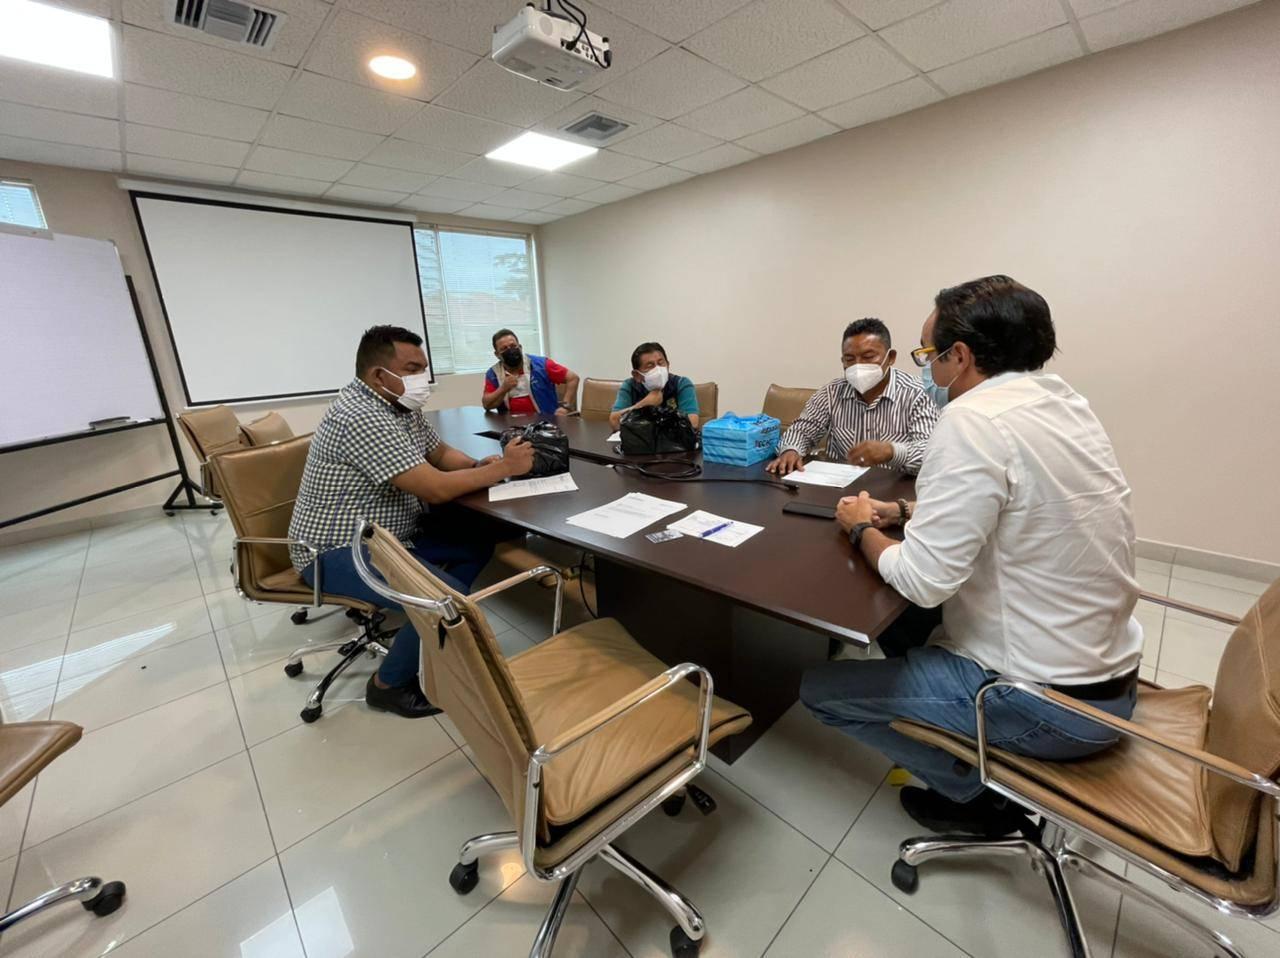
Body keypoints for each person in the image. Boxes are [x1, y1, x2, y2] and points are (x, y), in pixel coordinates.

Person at [800, 276, 1143, 837]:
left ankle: (975, 796)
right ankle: (948, 727)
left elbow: (923, 581)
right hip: (1109, 678)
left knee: (820, 691)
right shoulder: (1064, 403)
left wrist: (860, 527)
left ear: (959, 357)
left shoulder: (971, 420)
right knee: (901, 626)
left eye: (928, 354)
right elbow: (1021, 506)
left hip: (1043, 702)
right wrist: (904, 512)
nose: (927, 368)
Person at [289, 325, 534, 718]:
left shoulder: (398, 405)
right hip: (335, 550)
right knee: (444, 600)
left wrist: (477, 465)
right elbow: (434, 488)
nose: (423, 378)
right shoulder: (360, 416)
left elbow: (438, 454)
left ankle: (428, 635)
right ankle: (388, 685)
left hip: (391, 536)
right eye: (413, 369)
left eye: (424, 368)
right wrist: (503, 468)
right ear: (378, 375)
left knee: (476, 543)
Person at [766, 318, 939, 477]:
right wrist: (791, 450)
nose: (858, 365)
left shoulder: (919, 393)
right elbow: (801, 431)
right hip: (838, 487)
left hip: (894, 489)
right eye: (849, 359)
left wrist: (891, 451)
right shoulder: (831, 392)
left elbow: (930, 454)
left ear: (891, 357)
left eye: (868, 357)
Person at [482, 329, 579, 416]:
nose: (510, 350)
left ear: (520, 347)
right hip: (510, 426)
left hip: (546, 423)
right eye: (504, 348)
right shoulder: (494, 374)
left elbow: (573, 378)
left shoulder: (542, 365)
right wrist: (503, 388)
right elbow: (487, 405)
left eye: (513, 346)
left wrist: (565, 407)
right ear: (497, 354)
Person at [609, 341, 701, 430]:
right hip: (640, 440)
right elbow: (614, 422)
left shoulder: (681, 383)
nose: (658, 370)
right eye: (650, 366)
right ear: (637, 375)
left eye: (661, 363)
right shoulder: (630, 386)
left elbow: (692, 423)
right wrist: (643, 404)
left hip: (674, 440)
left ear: (668, 365)